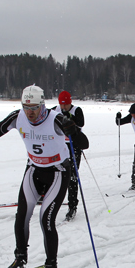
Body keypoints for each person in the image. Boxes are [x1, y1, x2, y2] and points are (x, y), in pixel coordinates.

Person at [0, 84, 83, 268]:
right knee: (22, 215)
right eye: (26, 107)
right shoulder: (17, 117)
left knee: (46, 220)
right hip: (34, 170)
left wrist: (73, 130)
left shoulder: (55, 119)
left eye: (34, 108)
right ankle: (20, 258)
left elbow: (83, 143)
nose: (30, 113)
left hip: (58, 171)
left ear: (42, 105)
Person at [51, 90, 86, 221]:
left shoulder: (77, 110)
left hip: (74, 146)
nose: (63, 107)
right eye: (61, 104)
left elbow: (81, 123)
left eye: (65, 104)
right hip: (59, 146)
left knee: (72, 176)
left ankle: (72, 206)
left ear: (70, 103)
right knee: (53, 172)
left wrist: (69, 117)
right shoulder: (55, 109)